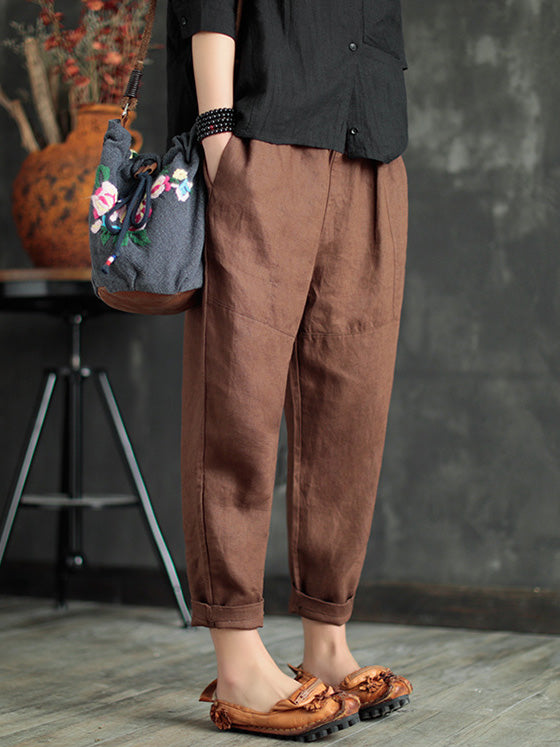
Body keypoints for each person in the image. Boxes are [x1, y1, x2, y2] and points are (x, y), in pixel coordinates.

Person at [167, 0, 413, 739]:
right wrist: (217, 133)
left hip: (371, 141)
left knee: (351, 405)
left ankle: (327, 642)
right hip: (262, 132)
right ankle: (238, 658)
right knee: (236, 399)